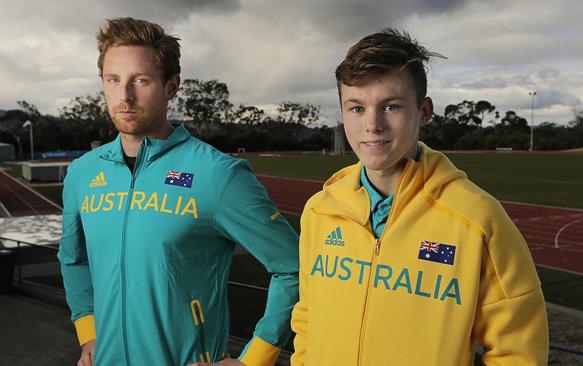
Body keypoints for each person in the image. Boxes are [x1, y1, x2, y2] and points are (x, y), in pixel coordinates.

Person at [290, 29, 549, 365]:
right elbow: (308, 317)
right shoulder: (320, 210)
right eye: (356, 108)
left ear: (424, 111)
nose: (373, 125)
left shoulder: (477, 219)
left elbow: (520, 352)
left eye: (392, 106)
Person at [58, 17, 299, 366]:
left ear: (172, 86)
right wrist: (88, 332)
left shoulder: (218, 175)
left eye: (141, 80)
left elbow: (293, 267)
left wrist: (255, 359)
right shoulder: (82, 173)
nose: (124, 96)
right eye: (113, 80)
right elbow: (73, 258)